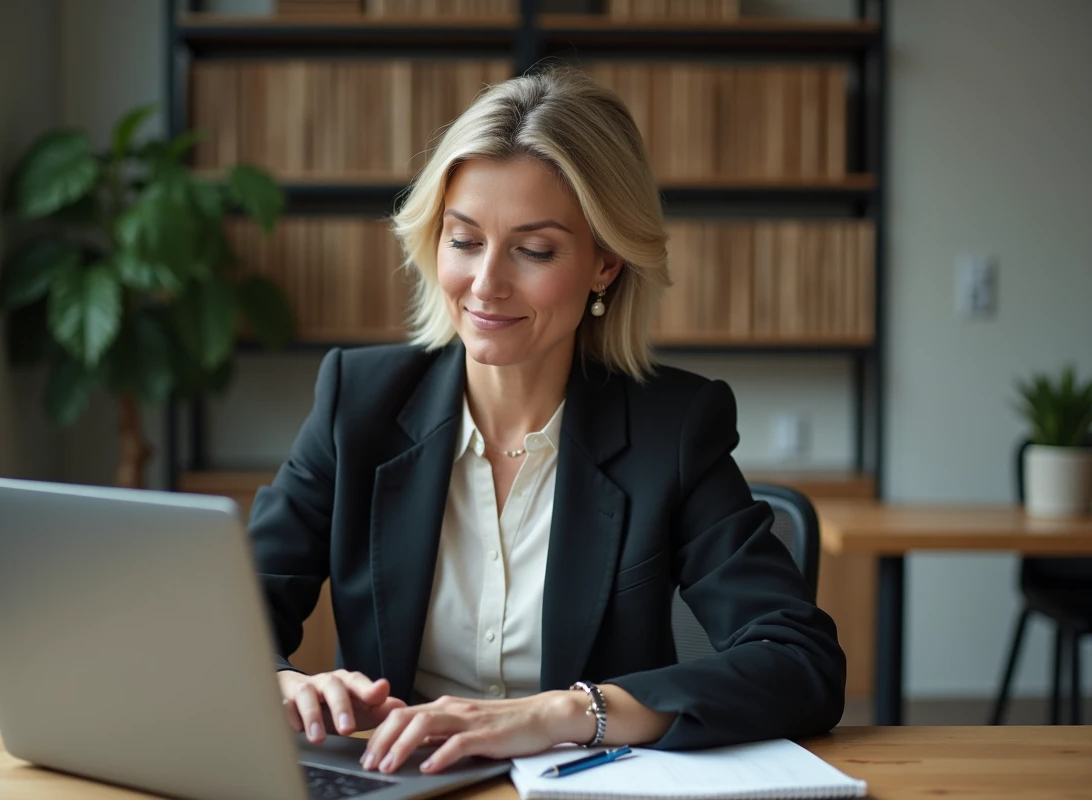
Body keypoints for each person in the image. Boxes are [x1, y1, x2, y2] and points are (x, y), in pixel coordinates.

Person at [247, 65, 846, 777]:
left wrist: (564, 713)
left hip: (584, 787)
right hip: (397, 785)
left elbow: (798, 660)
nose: (486, 283)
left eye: (534, 250)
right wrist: (282, 685)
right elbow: (223, 622)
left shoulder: (673, 429)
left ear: (605, 263)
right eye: (464, 239)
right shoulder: (359, 402)